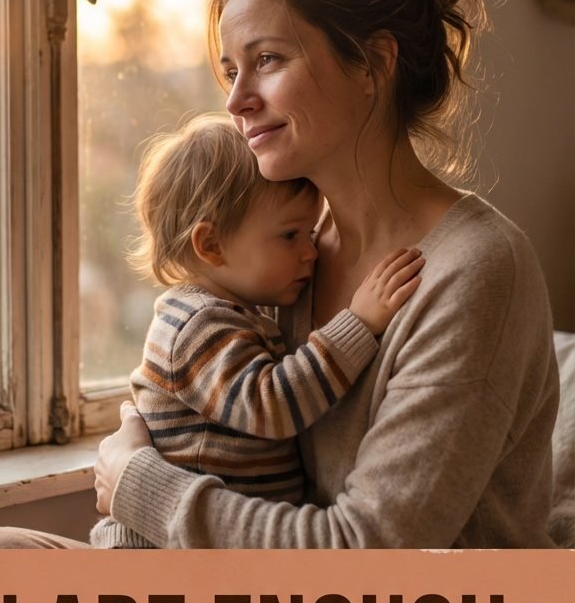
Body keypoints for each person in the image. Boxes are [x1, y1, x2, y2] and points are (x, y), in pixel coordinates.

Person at [0, 0, 559, 551]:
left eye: (267, 59)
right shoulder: (288, 251)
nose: (235, 100)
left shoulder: (475, 269)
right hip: (259, 590)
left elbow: (366, 552)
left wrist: (140, 483)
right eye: (230, 71)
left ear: (373, 64)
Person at [91, 114, 424, 548]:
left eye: (310, 232)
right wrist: (357, 325)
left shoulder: (235, 313)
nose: (311, 251)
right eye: (290, 235)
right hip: (156, 549)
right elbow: (272, 407)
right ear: (210, 245)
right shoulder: (197, 326)